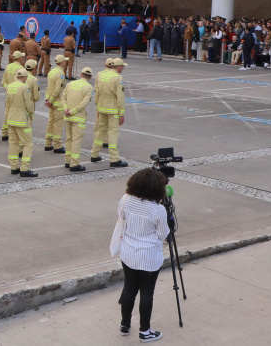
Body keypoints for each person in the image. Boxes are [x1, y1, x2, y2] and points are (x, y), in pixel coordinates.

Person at [114, 168, 170, 343]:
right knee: (147, 292)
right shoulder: (158, 209)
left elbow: (121, 220)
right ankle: (145, 331)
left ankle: (125, 324)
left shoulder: (125, 200)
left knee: (129, 287)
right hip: (149, 257)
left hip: (128, 252)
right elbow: (164, 235)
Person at [90, 58, 130, 168]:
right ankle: (114, 158)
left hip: (102, 107)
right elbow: (120, 97)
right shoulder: (118, 78)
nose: (123, 68)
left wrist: (98, 106)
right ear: (118, 66)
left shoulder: (101, 75)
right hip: (113, 110)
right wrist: (121, 114)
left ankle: (94, 154)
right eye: (122, 66)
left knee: (101, 131)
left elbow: (96, 92)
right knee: (113, 133)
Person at [5, 68, 37, 177]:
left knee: (13, 144)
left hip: (11, 118)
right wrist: (31, 114)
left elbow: (7, 104)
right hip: (22, 119)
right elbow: (29, 104)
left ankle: (14, 167)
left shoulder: (9, 86)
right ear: (24, 77)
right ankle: (24, 168)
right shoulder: (25, 87)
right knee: (28, 144)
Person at [63, 67, 93, 171]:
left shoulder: (70, 84)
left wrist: (66, 109)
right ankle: (74, 163)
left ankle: (67, 161)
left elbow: (63, 97)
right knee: (76, 140)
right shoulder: (88, 87)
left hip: (67, 116)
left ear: (81, 74)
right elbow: (84, 103)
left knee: (69, 139)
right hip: (78, 117)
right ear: (90, 77)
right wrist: (73, 112)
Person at [43, 55, 67, 154]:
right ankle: (57, 145)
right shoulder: (61, 73)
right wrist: (52, 100)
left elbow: (49, 87)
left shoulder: (51, 72)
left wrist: (47, 99)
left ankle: (48, 143)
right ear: (62, 63)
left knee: (51, 122)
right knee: (58, 124)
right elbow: (57, 89)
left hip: (51, 101)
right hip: (57, 102)